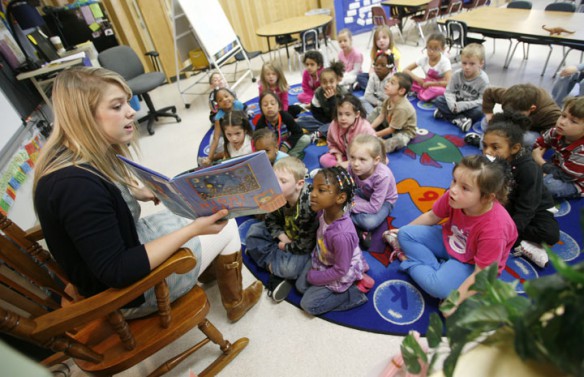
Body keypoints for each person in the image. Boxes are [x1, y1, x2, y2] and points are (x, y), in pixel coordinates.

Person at [33, 67, 262, 322]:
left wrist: (134, 191)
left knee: (202, 212)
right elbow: (118, 271)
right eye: (117, 106)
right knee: (227, 225)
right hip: (127, 294)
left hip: (127, 242)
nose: (132, 111)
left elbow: (99, 208)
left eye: (127, 103)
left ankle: (209, 264)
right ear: (84, 116)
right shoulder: (76, 189)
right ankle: (235, 303)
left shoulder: (73, 157)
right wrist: (192, 230)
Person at [386, 155, 518, 309]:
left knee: (437, 288)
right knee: (404, 234)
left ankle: (409, 262)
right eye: (454, 180)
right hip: (448, 240)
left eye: (465, 188)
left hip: (470, 262)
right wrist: (400, 233)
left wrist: (454, 301)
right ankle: (437, 270)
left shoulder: (495, 229)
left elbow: (483, 273)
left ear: (486, 198)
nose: (453, 190)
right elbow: (431, 216)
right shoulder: (453, 197)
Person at [482, 112, 560, 268]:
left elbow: (528, 207)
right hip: (508, 200)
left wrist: (511, 234)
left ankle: (518, 240)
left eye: (494, 147)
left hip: (533, 207)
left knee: (550, 234)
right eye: (485, 145)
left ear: (515, 148)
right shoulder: (495, 159)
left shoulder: (528, 169)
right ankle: (509, 233)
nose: (487, 151)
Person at [296, 167, 372, 315]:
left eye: (321, 190)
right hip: (324, 257)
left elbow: (340, 270)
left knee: (308, 305)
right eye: (313, 188)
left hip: (340, 268)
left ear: (340, 198)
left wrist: (315, 277)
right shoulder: (326, 210)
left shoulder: (341, 235)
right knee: (301, 287)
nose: (312, 194)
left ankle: (356, 291)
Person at [246, 157, 318, 303]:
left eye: (283, 181)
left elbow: (305, 244)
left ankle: (272, 266)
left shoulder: (308, 206)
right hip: (285, 234)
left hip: (301, 245)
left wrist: (286, 246)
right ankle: (275, 264)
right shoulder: (276, 195)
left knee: (290, 269)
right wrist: (282, 237)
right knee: (253, 232)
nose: (276, 185)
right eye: (274, 178)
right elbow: (270, 220)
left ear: (299, 184)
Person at [348, 134, 397, 249]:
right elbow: (348, 186)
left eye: (362, 159)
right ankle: (353, 223)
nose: (355, 163)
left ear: (376, 160)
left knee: (369, 222)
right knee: (337, 195)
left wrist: (349, 205)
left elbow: (374, 207)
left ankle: (346, 216)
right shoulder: (352, 167)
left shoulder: (382, 176)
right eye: (352, 157)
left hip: (385, 202)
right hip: (364, 193)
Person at [532, 96, 584, 199]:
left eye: (573, 121)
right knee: (529, 139)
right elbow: (541, 142)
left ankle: (577, 193)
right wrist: (539, 149)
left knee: (550, 186)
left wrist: (538, 159)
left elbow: (566, 176)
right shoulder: (557, 131)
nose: (562, 122)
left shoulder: (582, 151)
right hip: (558, 166)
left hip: (574, 181)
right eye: (563, 116)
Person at [433, 43, 489, 133]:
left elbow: (482, 100)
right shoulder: (457, 74)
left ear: (481, 63)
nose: (467, 67)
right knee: (438, 100)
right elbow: (449, 91)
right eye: (464, 63)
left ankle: (446, 115)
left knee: (480, 111)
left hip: (469, 107)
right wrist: (452, 104)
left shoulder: (483, 80)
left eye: (472, 64)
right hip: (455, 104)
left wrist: (463, 105)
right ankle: (460, 119)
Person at [482, 83, 561, 146]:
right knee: (485, 122)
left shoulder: (550, 113)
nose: (512, 116)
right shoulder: (507, 96)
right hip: (515, 123)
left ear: (532, 109)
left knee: (528, 139)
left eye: (516, 114)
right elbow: (489, 92)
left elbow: (555, 132)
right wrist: (489, 114)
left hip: (533, 129)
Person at [320, 94, 376, 168]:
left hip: (360, 159)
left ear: (357, 114)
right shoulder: (334, 124)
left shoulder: (365, 128)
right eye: (340, 114)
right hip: (345, 156)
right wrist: (339, 159)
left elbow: (372, 152)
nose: (343, 118)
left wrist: (349, 163)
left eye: (347, 114)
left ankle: (341, 171)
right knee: (324, 159)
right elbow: (332, 143)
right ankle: (342, 170)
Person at [297, 62, 348, 140]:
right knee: (302, 121)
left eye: (331, 82)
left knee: (342, 126)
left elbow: (342, 113)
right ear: (320, 83)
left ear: (337, 81)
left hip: (340, 119)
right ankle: (324, 130)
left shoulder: (342, 92)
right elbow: (316, 112)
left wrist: (332, 100)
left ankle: (321, 132)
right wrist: (324, 122)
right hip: (323, 120)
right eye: (324, 82)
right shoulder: (318, 93)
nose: (328, 85)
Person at [371, 73, 418, 153]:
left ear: (401, 91)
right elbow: (381, 117)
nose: (387, 84)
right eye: (388, 81)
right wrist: (370, 129)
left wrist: (374, 134)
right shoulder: (388, 100)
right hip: (391, 122)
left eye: (392, 83)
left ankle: (382, 144)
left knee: (399, 140)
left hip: (403, 130)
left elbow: (392, 129)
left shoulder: (402, 108)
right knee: (377, 111)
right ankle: (367, 128)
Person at [255, 90, 310, 158]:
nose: (269, 107)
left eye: (272, 104)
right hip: (272, 150)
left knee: (306, 139)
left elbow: (298, 132)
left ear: (279, 107)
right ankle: (285, 158)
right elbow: (258, 143)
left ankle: (291, 155)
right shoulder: (261, 124)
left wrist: (286, 146)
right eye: (265, 105)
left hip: (287, 144)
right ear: (261, 110)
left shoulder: (286, 116)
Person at [202, 87, 246, 166]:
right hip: (224, 137)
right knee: (229, 151)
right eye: (220, 100)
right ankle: (214, 157)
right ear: (218, 105)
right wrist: (209, 158)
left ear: (232, 96)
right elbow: (216, 138)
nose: (225, 100)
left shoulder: (238, 105)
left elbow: (246, 121)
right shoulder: (219, 117)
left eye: (226, 96)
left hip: (236, 132)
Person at [403, 33, 452, 102]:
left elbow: (448, 82)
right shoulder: (423, 59)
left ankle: (420, 94)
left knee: (436, 90)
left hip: (438, 86)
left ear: (442, 49)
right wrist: (417, 79)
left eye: (436, 49)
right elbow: (405, 70)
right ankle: (424, 94)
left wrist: (431, 84)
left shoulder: (445, 62)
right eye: (429, 48)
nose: (431, 52)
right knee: (404, 79)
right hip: (425, 84)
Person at [356, 24, 401, 90]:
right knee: (360, 76)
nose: (381, 41)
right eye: (378, 39)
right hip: (377, 76)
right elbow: (372, 67)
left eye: (384, 37)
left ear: (390, 38)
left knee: (397, 82)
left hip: (390, 76)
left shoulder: (394, 52)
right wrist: (372, 77)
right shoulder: (375, 52)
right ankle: (374, 89)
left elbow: (395, 70)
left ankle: (372, 89)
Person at [362, 52, 395, 120]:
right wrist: (378, 103)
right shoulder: (373, 76)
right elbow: (367, 95)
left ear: (390, 68)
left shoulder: (393, 80)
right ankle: (373, 116)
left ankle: (373, 118)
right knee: (361, 100)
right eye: (376, 65)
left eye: (382, 65)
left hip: (389, 106)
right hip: (379, 102)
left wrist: (380, 105)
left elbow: (392, 102)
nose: (378, 68)